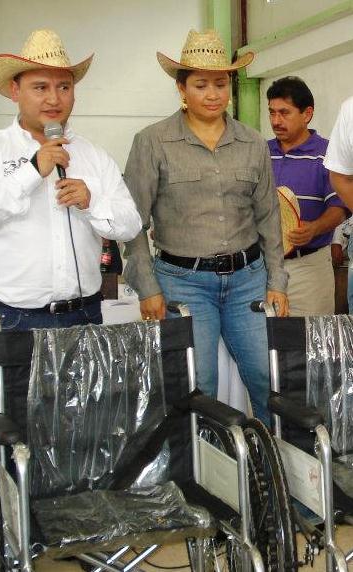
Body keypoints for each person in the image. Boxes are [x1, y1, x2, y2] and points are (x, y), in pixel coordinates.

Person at [0, 29, 141, 412]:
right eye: (40, 87)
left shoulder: (93, 156)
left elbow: (130, 224)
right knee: (19, 430)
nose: (54, 99)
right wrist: (31, 171)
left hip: (84, 315)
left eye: (64, 87)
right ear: (15, 91)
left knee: (88, 430)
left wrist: (91, 201)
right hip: (16, 321)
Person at [123, 29, 288, 424]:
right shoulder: (152, 142)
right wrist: (147, 286)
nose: (213, 94)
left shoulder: (252, 143)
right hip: (183, 283)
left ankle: (273, 455)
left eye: (220, 84)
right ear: (181, 89)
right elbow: (132, 222)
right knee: (197, 384)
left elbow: (268, 217)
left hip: (248, 280)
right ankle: (204, 461)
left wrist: (277, 281)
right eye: (201, 85)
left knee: (269, 376)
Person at [267, 76, 346, 317]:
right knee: (264, 337)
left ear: (307, 114)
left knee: (310, 336)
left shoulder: (327, 154)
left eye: (284, 113)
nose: (276, 121)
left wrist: (314, 228)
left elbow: (340, 207)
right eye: (272, 113)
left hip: (308, 268)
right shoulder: (260, 151)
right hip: (263, 267)